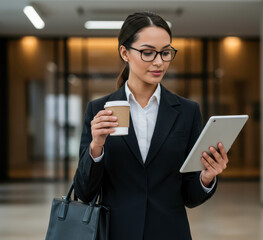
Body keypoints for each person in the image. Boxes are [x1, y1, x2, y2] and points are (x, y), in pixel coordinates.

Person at [73, 11, 229, 240]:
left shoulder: (187, 112)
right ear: (124, 53)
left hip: (170, 232)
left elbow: (190, 195)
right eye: (148, 53)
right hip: (116, 233)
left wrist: (206, 177)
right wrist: (96, 147)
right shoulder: (99, 110)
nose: (159, 62)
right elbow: (84, 193)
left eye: (166, 53)